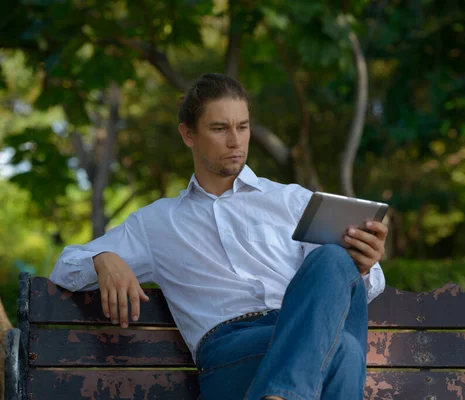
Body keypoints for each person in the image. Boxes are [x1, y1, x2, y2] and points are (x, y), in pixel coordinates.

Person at [49, 73, 387, 400]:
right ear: (188, 135)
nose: (235, 141)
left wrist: (364, 262)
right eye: (219, 128)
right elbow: (64, 267)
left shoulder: (292, 201)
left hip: (299, 328)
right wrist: (103, 258)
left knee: (332, 261)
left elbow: (351, 288)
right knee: (343, 350)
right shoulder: (156, 223)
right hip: (230, 352)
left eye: (243, 127)